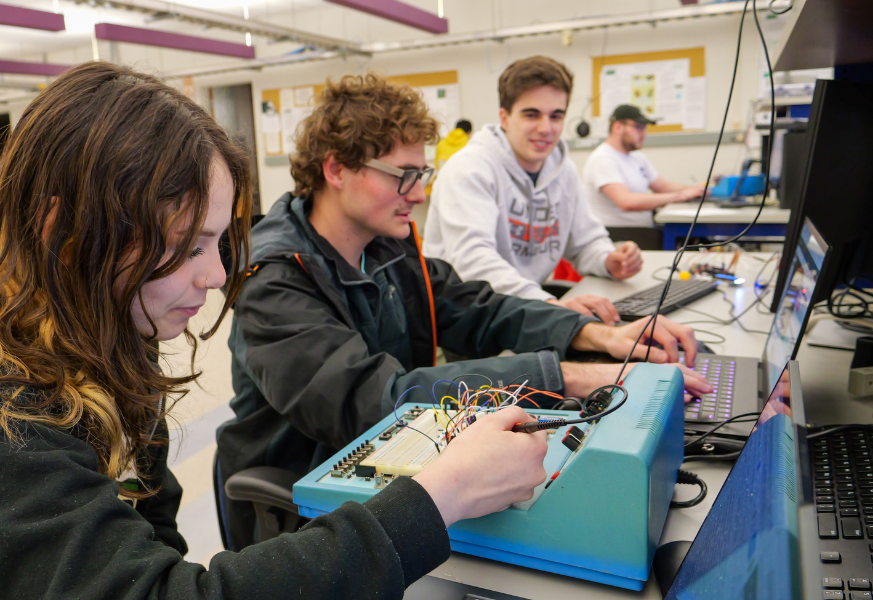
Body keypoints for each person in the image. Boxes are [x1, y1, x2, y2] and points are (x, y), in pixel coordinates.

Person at [0, 61, 551, 600]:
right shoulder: (17, 420)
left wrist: (579, 335)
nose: (216, 276)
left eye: (215, 244)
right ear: (64, 229)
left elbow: (154, 544)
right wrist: (443, 492)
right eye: (189, 245)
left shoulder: (113, 357)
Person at [218, 72, 713, 550]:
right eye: (403, 176)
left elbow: (479, 309)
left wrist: (597, 335)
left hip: (393, 460)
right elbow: (373, 399)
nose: (419, 192)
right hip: (307, 489)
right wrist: (561, 376)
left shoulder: (384, 244)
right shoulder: (274, 279)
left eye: (422, 174)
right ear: (336, 169)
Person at [423, 56, 641, 322]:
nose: (545, 128)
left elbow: (585, 242)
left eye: (556, 116)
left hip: (529, 305)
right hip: (471, 315)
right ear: (504, 117)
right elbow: (474, 263)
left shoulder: (564, 171)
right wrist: (547, 304)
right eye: (531, 114)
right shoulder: (469, 168)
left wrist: (609, 260)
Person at [582, 104, 709, 228]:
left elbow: (662, 186)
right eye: (638, 127)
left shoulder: (637, 157)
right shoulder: (602, 159)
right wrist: (681, 196)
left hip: (643, 231)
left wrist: (695, 190)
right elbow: (626, 202)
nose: (644, 134)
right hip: (617, 236)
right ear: (618, 127)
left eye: (644, 128)